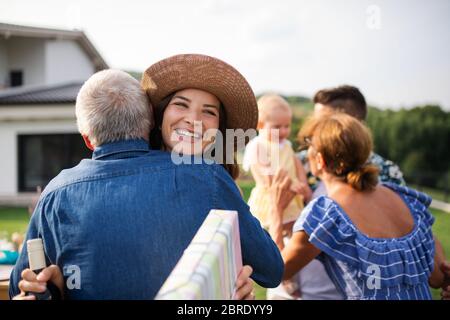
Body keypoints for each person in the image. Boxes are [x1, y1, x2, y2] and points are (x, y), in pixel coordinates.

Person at [10, 64, 283, 300]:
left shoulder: (57, 194)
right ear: (153, 117)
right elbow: (271, 269)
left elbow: (19, 287)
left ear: (87, 139)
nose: (193, 120)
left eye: (208, 112)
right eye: (181, 104)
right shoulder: (208, 177)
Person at [271, 113, 448, 299]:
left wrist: (276, 213)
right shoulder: (404, 197)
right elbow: (437, 278)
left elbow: (277, 272)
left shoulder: (326, 214)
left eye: (309, 145)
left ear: (320, 160)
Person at [243, 94, 311, 233]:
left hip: (292, 197)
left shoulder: (286, 145)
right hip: (270, 198)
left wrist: (303, 184)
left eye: (287, 126)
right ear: (260, 125)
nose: (284, 131)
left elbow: (297, 165)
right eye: (277, 127)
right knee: (270, 231)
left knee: (295, 230)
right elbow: (267, 175)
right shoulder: (258, 146)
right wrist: (290, 185)